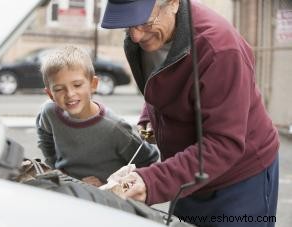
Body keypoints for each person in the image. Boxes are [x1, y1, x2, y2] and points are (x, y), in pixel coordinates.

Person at [101, 0, 279, 226]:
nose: (135, 36)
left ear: (174, 3)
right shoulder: (146, 35)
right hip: (187, 173)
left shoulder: (219, 49)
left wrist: (151, 182)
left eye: (144, 23)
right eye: (126, 26)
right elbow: (162, 79)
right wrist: (149, 115)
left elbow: (224, 143)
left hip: (240, 179)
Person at [35, 45, 159, 187]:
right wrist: (57, 171)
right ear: (50, 94)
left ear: (93, 84)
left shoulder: (115, 128)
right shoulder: (49, 112)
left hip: (104, 199)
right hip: (67, 190)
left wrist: (110, 186)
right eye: (59, 89)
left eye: (77, 85)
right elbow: (44, 137)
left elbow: (148, 160)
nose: (70, 94)